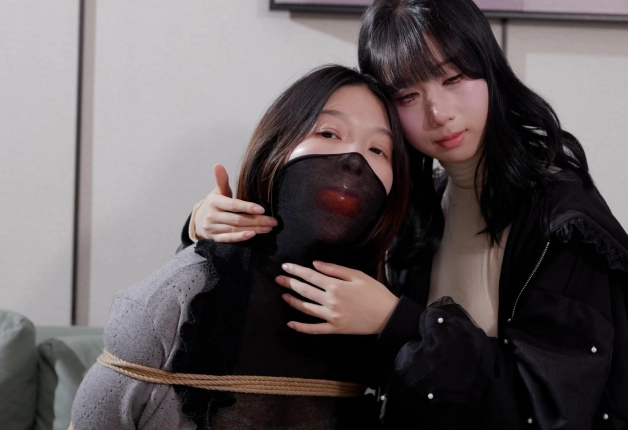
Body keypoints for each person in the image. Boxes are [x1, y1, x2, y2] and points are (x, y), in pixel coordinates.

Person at [186, 0, 628, 429]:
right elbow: (291, 278)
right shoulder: (414, 204)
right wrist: (205, 227)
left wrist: (398, 322)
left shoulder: (561, 218)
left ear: (489, 69)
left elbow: (550, 409)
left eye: (453, 79)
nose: (439, 112)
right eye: (407, 96)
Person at [70, 65, 408, 430]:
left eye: (378, 149)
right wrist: (195, 226)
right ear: (276, 145)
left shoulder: (384, 310)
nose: (355, 160)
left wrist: (397, 321)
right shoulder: (180, 294)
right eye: (328, 132)